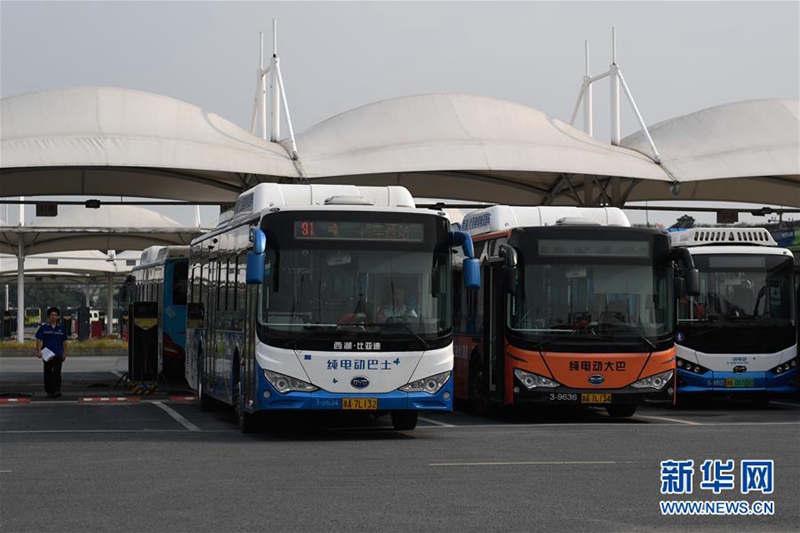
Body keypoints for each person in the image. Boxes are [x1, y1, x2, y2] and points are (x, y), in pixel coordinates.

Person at [35, 306, 68, 399]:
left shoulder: (61, 328)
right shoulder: (44, 328)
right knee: (48, 373)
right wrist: (38, 351)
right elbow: (38, 339)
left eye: (55, 315)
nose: (53, 316)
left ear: (57, 317)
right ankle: (49, 391)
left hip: (58, 354)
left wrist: (64, 353)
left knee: (57, 373)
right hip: (47, 354)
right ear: (49, 316)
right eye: (51, 315)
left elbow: (64, 342)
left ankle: (57, 390)